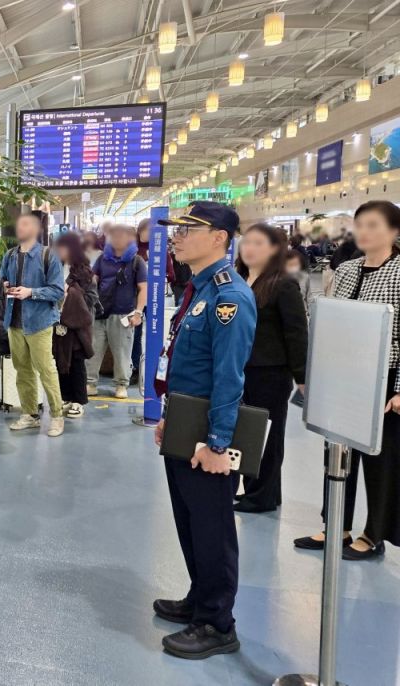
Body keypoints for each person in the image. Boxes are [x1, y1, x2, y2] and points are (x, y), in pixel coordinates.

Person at [152, 201, 256, 660]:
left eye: (187, 230)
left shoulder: (230, 297)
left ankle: (217, 623)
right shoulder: (199, 289)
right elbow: (183, 364)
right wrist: (168, 417)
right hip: (184, 422)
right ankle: (199, 598)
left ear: (219, 238)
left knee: (212, 528)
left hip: (208, 433)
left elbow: (228, 378)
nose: (176, 237)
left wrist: (218, 444)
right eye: (176, 230)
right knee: (189, 520)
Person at [294, 201, 400, 561]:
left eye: (373, 225)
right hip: (343, 376)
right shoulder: (348, 268)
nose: (364, 232)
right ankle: (336, 524)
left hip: (384, 379)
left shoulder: (399, 271)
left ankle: (374, 534)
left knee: (380, 461)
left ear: (394, 231)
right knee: (337, 454)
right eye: (360, 225)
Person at [234, 224, 308, 514]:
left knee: (267, 435)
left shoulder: (283, 284)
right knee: (248, 432)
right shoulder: (240, 279)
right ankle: (262, 491)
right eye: (247, 242)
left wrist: (302, 377)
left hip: (270, 372)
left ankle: (261, 496)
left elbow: (296, 332)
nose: (249, 248)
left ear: (275, 249)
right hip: (242, 369)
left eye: (258, 243)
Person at [0, 211, 65, 437]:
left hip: (39, 322)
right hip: (14, 321)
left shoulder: (48, 256)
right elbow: (1, 280)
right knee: (22, 370)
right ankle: (30, 414)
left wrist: (31, 292)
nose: (21, 228)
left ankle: (57, 415)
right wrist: (4, 286)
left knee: (46, 369)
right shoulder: (9, 255)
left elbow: (58, 291)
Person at [87, 223, 146, 399]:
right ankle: (90, 382)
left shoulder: (136, 261)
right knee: (93, 350)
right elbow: (93, 281)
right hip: (99, 312)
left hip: (123, 314)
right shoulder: (102, 259)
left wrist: (138, 312)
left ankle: (121, 384)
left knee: (122, 353)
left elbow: (143, 288)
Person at [52, 232, 95, 418]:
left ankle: (78, 401)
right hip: (58, 322)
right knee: (60, 359)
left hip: (77, 325)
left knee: (76, 362)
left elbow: (92, 299)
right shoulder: (54, 267)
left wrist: (72, 294)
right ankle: (66, 397)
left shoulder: (84, 271)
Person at [285, 248, 317, 313]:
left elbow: (309, 297)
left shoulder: (305, 277)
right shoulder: (281, 278)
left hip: (303, 312)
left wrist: (312, 312)